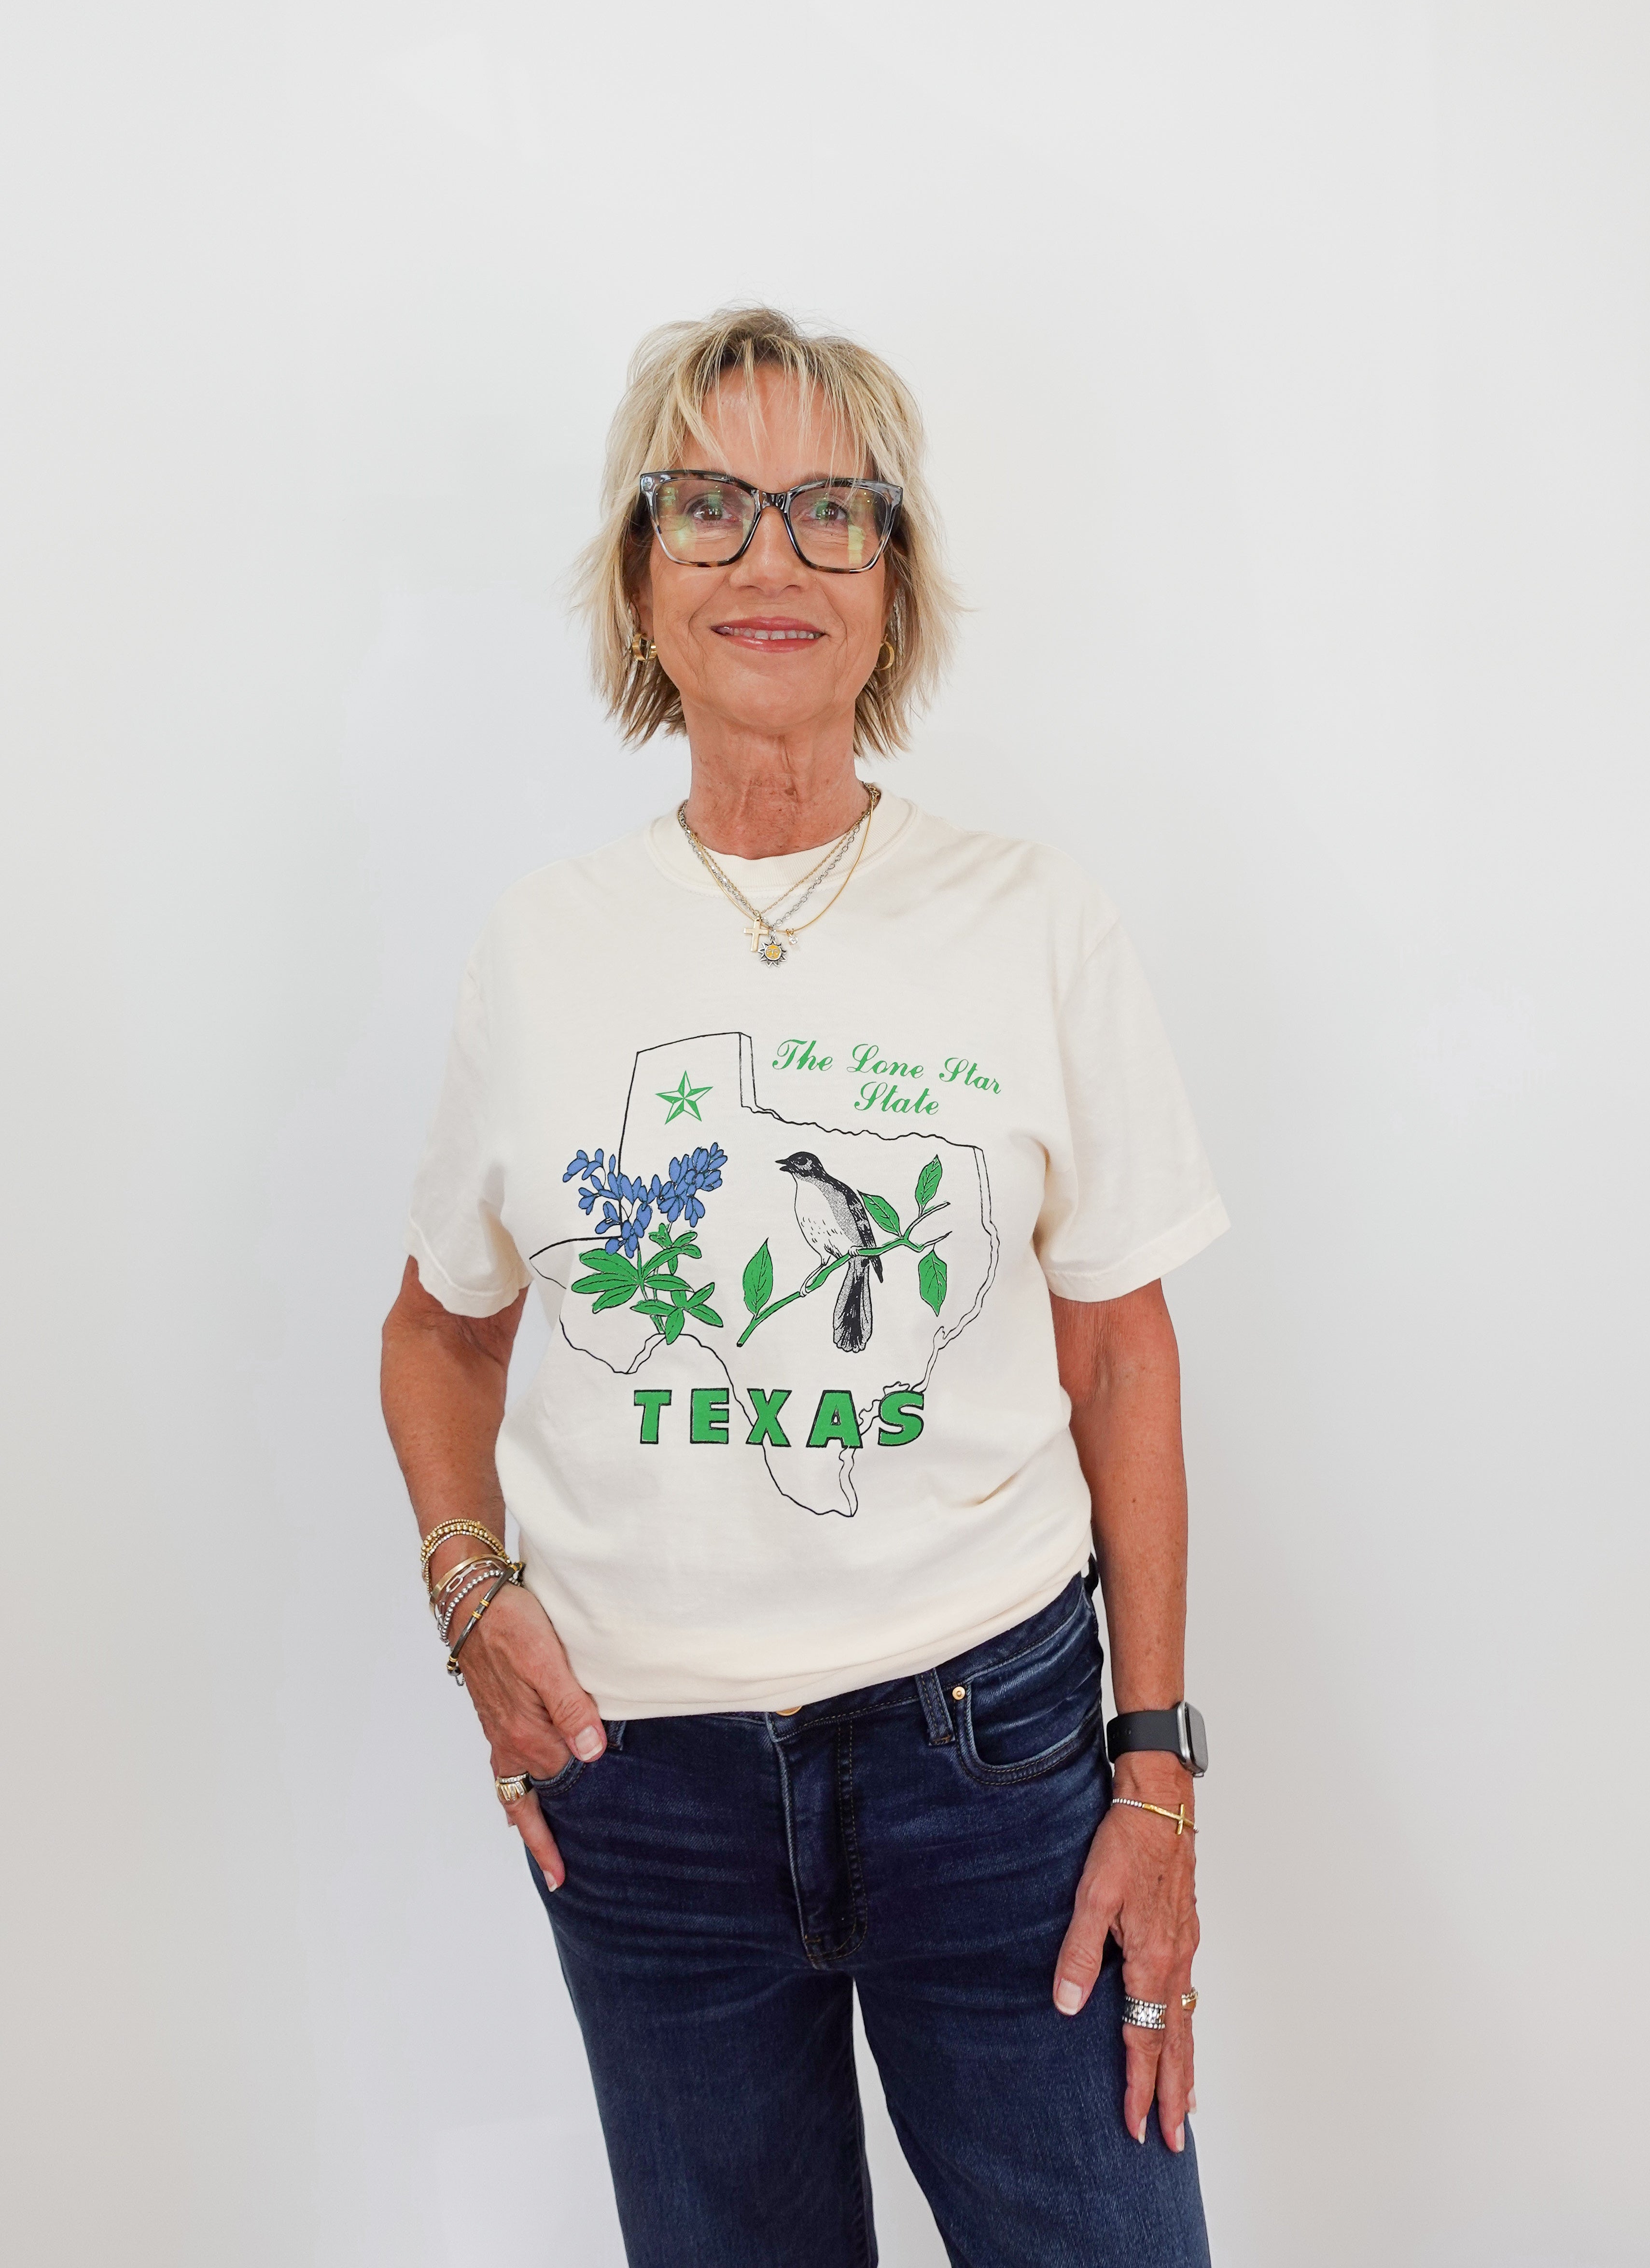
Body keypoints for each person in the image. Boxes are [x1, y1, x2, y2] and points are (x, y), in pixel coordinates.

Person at [381, 305, 1228, 2268]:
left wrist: (1159, 1768)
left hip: (995, 1760)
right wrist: (468, 1589)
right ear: (639, 579)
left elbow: (1118, 1350)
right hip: (642, 1791)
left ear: (892, 581)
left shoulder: (1032, 920)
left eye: (830, 509)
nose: (770, 554)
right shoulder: (542, 951)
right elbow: (440, 1327)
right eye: (709, 505)